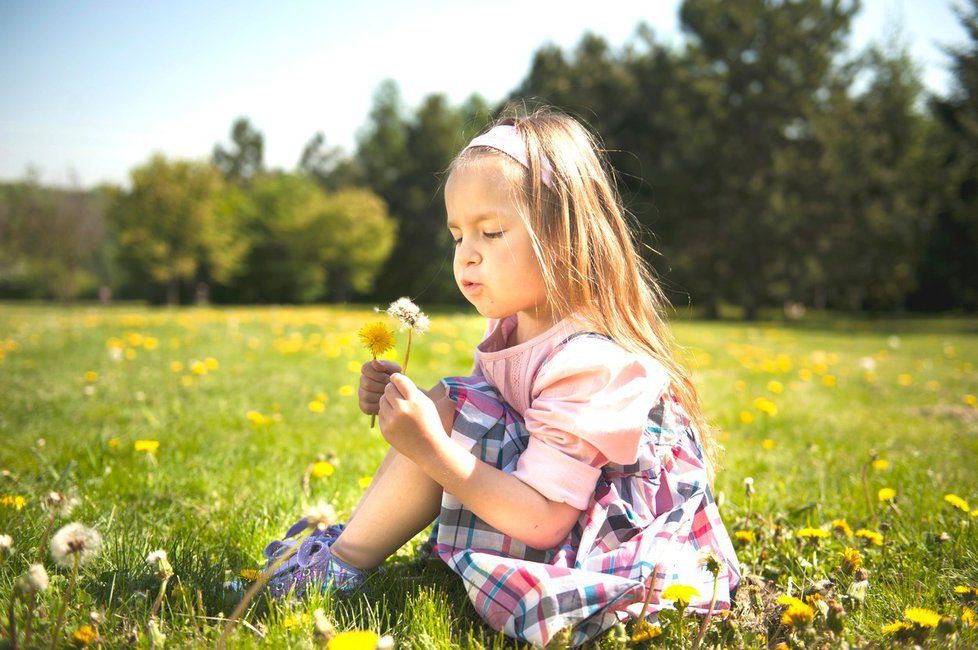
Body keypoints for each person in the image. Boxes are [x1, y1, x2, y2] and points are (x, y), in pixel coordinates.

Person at [260, 106, 741, 647]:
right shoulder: (513, 327)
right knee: (450, 402)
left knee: (452, 407)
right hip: (540, 500)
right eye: (457, 236)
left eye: (490, 232)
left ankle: (335, 569)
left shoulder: (592, 360)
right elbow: (491, 419)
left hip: (594, 537)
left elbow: (545, 521)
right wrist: (409, 407)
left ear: (564, 236)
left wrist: (432, 446)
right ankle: (342, 556)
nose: (466, 257)